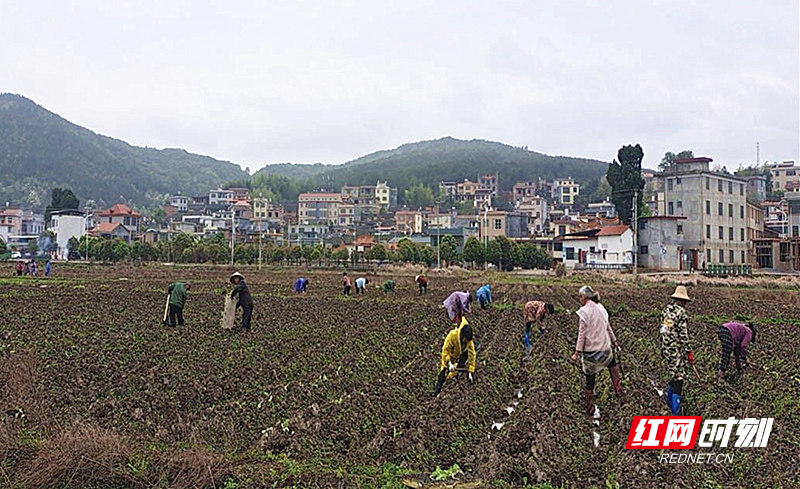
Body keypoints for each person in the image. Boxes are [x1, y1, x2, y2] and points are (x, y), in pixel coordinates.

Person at [569, 286, 623, 415]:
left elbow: (581, 334)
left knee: (590, 379)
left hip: (591, 351)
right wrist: (614, 342)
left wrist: (577, 353)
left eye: (580, 297)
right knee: (613, 368)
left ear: (586, 297)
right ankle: (620, 393)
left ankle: (589, 407)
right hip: (605, 349)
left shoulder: (584, 311)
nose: (579, 299)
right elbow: (608, 327)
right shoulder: (601, 308)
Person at [659, 285, 694, 415]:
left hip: (666, 347)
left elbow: (662, 330)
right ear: (682, 301)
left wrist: (663, 348)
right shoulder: (681, 312)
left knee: (673, 373)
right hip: (675, 349)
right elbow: (683, 334)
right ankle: (675, 412)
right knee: (679, 377)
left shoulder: (666, 310)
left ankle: (669, 403)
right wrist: (688, 351)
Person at [433, 318, 476, 396]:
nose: (467, 342)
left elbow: (472, 354)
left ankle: (457, 373)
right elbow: (445, 351)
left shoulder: (469, 341)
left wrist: (470, 370)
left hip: (461, 353)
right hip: (450, 355)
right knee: (443, 371)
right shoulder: (452, 336)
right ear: (462, 336)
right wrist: (449, 363)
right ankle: (438, 389)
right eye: (466, 340)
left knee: (464, 358)